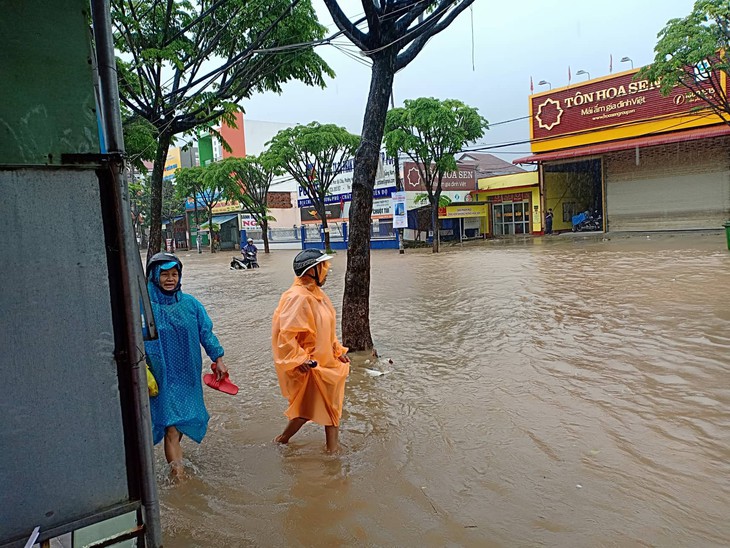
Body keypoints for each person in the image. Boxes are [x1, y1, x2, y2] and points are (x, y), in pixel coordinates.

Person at [144, 252, 228, 478]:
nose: (170, 279)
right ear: (153, 276)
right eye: (164, 274)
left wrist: (218, 358)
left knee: (178, 425)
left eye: (174, 274)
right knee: (171, 426)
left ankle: (174, 458)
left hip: (187, 375)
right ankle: (178, 477)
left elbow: (206, 333)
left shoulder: (191, 305)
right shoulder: (142, 308)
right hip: (160, 376)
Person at [271, 249, 350, 452]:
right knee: (307, 411)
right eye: (323, 267)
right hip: (311, 365)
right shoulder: (297, 297)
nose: (326, 271)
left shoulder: (317, 295)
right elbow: (286, 335)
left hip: (327, 362)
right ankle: (283, 441)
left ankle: (331, 451)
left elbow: (327, 329)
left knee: (329, 407)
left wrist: (337, 350)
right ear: (312, 270)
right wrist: (300, 360)